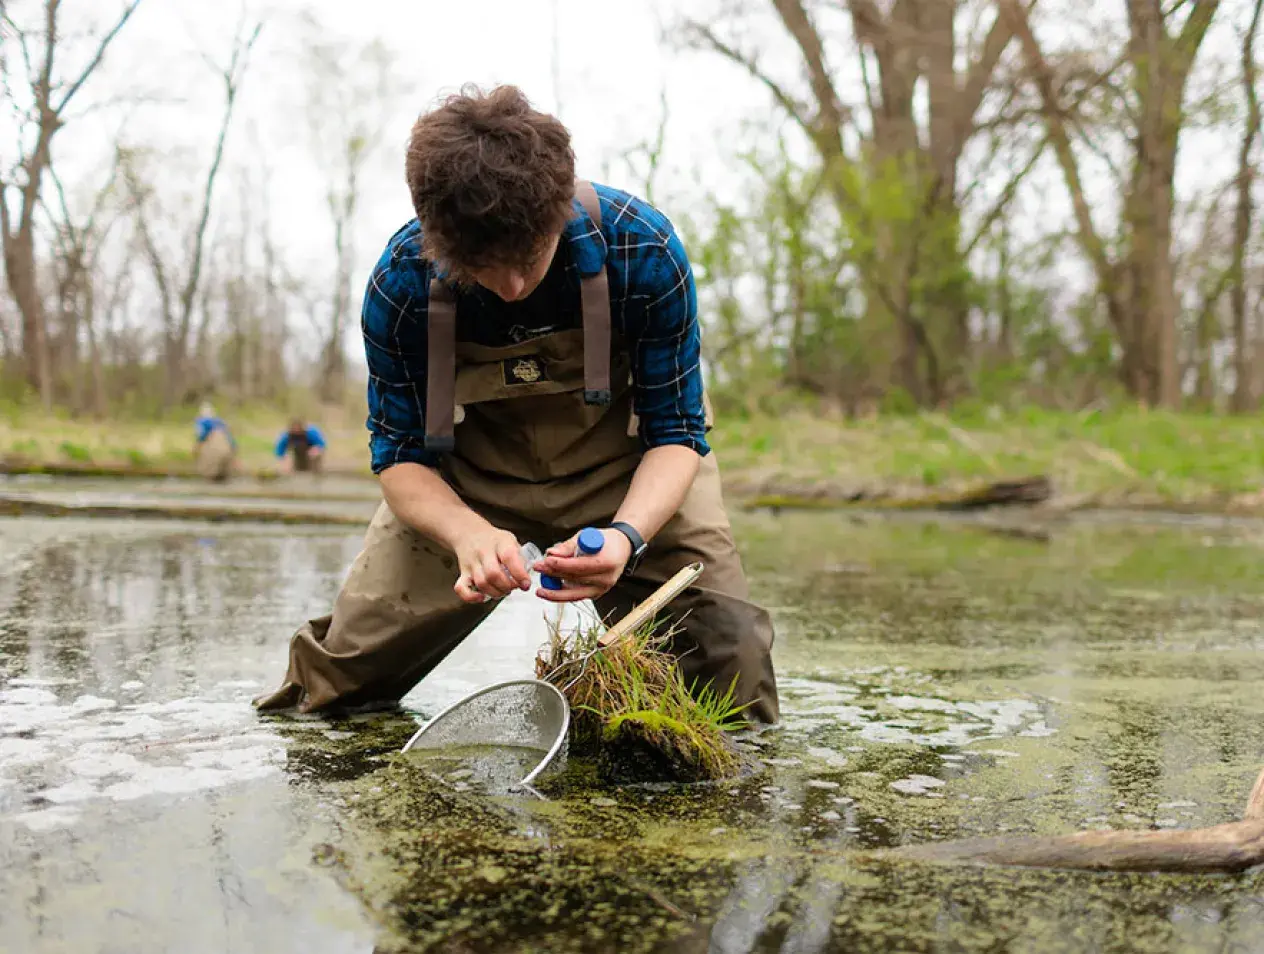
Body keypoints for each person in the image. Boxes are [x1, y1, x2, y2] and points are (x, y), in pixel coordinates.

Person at [254, 85, 779, 724]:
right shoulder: (400, 286)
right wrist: (466, 532)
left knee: (731, 673)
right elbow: (397, 459)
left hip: (633, 474)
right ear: (435, 234)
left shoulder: (643, 249)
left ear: (557, 211)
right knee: (334, 686)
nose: (509, 287)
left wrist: (627, 536)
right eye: (480, 264)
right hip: (464, 486)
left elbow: (677, 434)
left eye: (528, 259)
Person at [193, 402, 236, 482]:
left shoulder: (201, 422)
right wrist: (234, 448)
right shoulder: (220, 422)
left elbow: (201, 436)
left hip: (212, 450)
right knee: (224, 476)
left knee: (210, 475)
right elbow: (230, 438)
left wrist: (197, 446)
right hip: (227, 449)